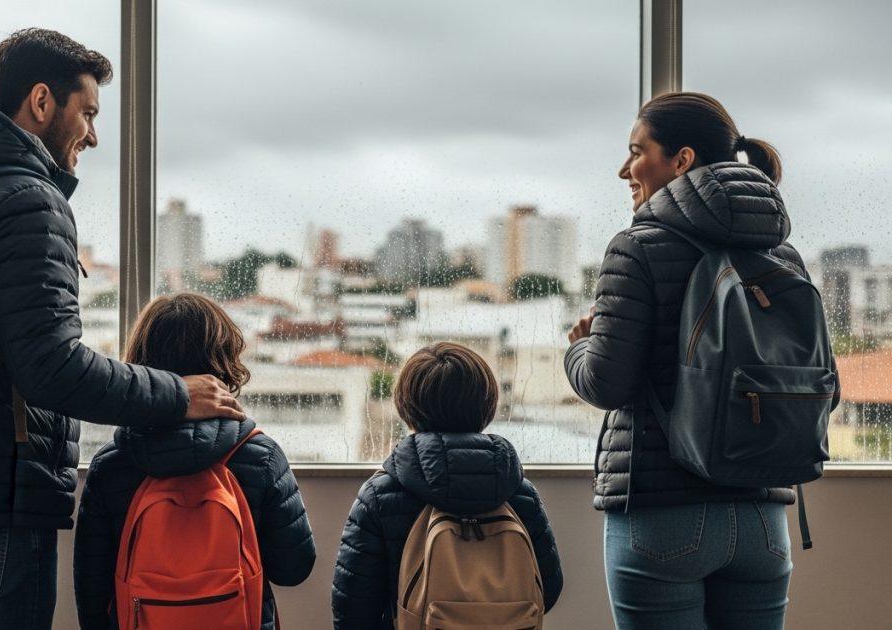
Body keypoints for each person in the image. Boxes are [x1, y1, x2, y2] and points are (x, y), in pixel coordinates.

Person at [0, 29, 245, 630]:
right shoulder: (27, 200)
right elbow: (50, 367)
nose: (93, 135)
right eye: (87, 113)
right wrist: (178, 393)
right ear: (42, 102)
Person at [566, 91, 804, 629]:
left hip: (662, 516)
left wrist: (579, 347)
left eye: (636, 151)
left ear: (682, 160)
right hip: (764, 519)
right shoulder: (783, 254)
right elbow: (821, 386)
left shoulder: (637, 247)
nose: (623, 168)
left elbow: (606, 382)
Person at [73, 293, 315, 630]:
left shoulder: (112, 465)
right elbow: (294, 568)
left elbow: (92, 592)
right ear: (225, 361)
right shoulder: (260, 456)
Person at [331, 342, 563, 629]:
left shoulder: (380, 495)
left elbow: (353, 606)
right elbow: (548, 590)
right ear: (487, 404)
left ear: (406, 406)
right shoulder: (519, 492)